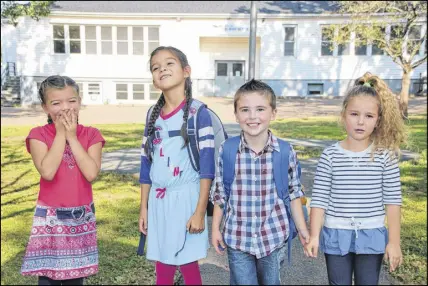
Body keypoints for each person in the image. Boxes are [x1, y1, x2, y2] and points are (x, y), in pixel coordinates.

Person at [305, 72, 406, 285]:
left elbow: (393, 202)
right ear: (344, 115)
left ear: (378, 121)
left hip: (372, 234)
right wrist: (314, 235)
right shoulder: (330, 155)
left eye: (369, 116)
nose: (360, 122)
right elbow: (320, 199)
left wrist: (394, 242)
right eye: (354, 114)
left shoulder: (384, 156)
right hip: (336, 234)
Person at [211, 79, 309, 285]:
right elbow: (220, 193)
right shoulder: (227, 150)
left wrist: (302, 230)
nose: (253, 116)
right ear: (236, 114)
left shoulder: (285, 151)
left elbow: (294, 194)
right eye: (245, 110)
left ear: (273, 113)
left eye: (260, 109)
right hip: (238, 237)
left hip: (272, 237)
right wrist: (215, 229)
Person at [138, 46, 215, 285]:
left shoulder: (198, 113)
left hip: (187, 199)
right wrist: (144, 208)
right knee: (162, 264)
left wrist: (200, 212)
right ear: (153, 80)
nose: (162, 69)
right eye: (155, 67)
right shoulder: (152, 114)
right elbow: (145, 164)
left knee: (188, 262)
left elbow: (207, 167)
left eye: (169, 63)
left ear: (186, 71)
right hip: (158, 201)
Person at [21, 75, 105, 285]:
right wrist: (61, 134)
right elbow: (47, 171)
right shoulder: (38, 135)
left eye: (72, 101)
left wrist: (73, 137)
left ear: (80, 101)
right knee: (48, 277)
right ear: (45, 107)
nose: (66, 108)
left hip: (80, 218)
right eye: (56, 103)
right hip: (49, 219)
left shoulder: (92, 134)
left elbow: (91, 173)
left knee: (75, 278)